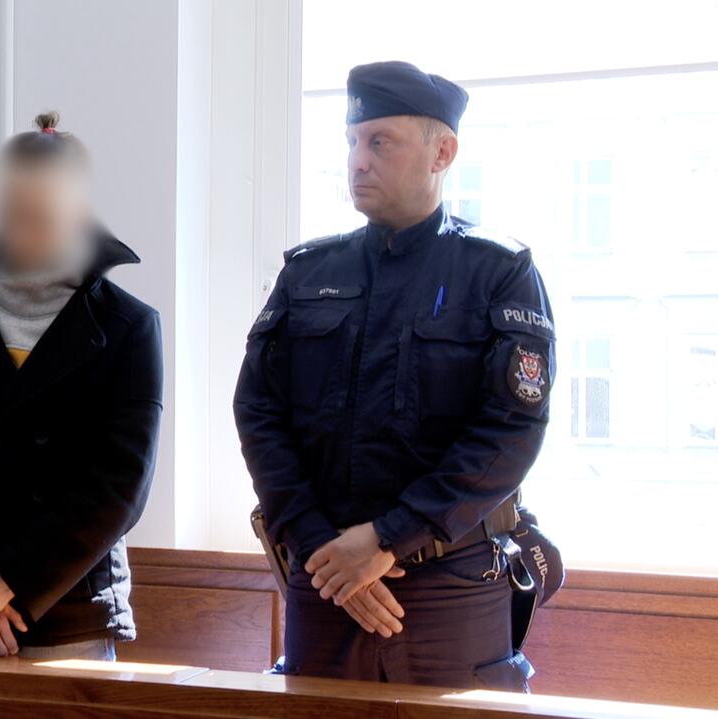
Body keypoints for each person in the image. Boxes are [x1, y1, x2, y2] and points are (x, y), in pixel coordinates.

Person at [234, 61, 554, 691]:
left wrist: (386, 540)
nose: (357, 161)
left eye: (380, 142)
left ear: (443, 152)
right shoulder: (309, 271)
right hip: (321, 576)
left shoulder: (498, 271)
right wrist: (323, 550)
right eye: (352, 141)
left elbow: (511, 430)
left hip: (449, 586)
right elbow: (259, 413)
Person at [0, 111, 163, 660]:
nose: (20, 234)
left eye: (39, 217)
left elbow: (122, 485)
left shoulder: (130, 326)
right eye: (10, 214)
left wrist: (10, 581)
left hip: (67, 609)